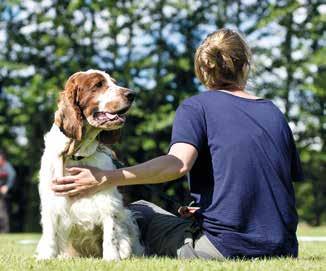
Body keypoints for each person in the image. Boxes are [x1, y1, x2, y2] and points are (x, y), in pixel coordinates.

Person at [52, 29, 304, 259]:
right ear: (246, 65)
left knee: (139, 211)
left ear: (202, 70)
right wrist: (209, 210)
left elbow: (177, 164)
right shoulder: (273, 111)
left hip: (223, 248)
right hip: (283, 247)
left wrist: (106, 177)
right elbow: (269, 182)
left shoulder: (197, 107)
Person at [0, 150, 16, 233]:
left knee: (3, 213)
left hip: (4, 194)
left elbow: (12, 175)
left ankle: (4, 231)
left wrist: (7, 186)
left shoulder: (6, 166)